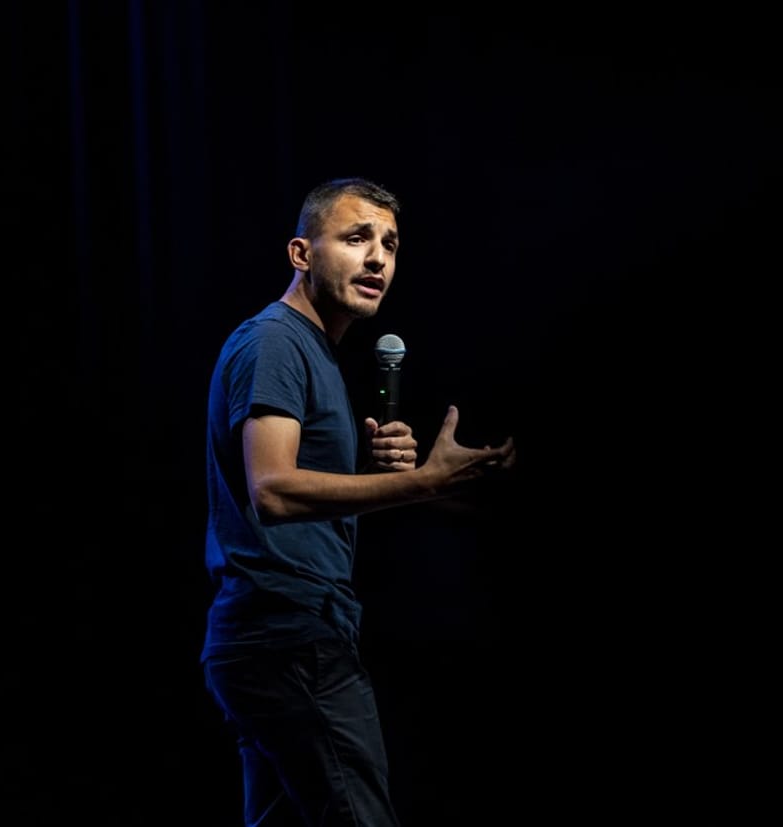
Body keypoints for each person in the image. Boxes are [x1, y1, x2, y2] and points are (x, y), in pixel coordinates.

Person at [200, 176, 515, 826]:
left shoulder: (315, 353)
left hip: (280, 636)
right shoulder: (276, 343)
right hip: (289, 635)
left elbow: (296, 491)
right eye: (355, 237)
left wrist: (370, 475)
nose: (378, 257)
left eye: (390, 244)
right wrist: (421, 481)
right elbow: (274, 490)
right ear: (300, 252)